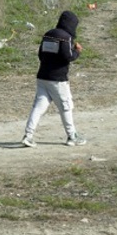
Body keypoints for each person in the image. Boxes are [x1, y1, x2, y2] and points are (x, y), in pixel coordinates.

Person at [21, 10, 86, 148]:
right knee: (66, 107)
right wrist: (77, 51)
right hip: (58, 80)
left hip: (42, 77)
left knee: (38, 107)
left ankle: (28, 135)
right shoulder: (66, 38)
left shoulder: (48, 34)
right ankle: (72, 136)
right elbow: (68, 56)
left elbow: (40, 54)